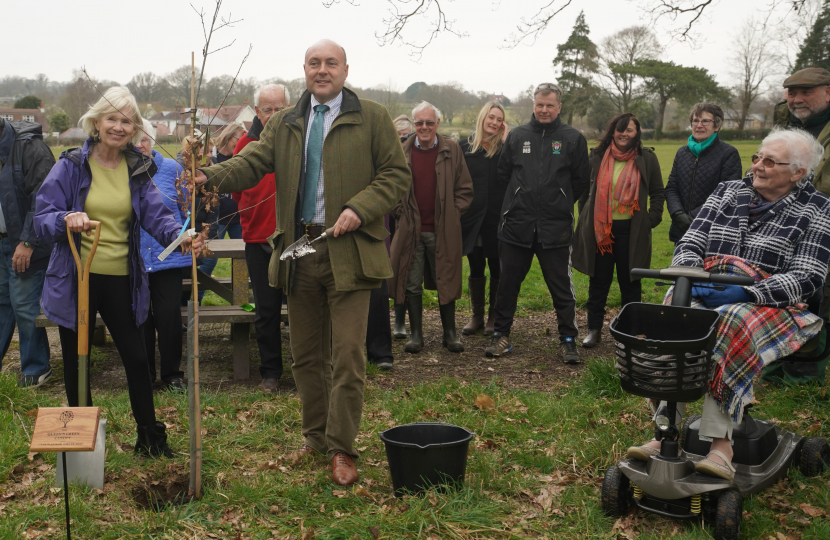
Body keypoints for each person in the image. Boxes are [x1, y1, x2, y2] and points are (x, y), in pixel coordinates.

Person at [194, 39, 410, 486]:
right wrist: (208, 175)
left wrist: (361, 207)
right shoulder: (289, 120)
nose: (323, 70)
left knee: (349, 355)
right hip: (299, 251)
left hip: (350, 251)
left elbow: (396, 175)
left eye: (331, 63)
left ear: (345, 70)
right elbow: (252, 162)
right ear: (305, 70)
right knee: (306, 356)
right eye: (315, 63)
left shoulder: (371, 117)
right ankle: (314, 438)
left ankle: (342, 448)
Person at [626, 128, 830, 481]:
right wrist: (691, 278)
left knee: (728, 321)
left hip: (774, 303)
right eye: (757, 158)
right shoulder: (728, 191)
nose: (757, 167)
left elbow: (808, 276)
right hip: (709, 286)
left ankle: (721, 445)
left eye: (769, 161)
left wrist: (750, 292)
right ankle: (665, 432)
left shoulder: (818, 209)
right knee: (671, 313)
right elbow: (691, 241)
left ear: (798, 172)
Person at [35, 87, 201, 457]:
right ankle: (81, 446)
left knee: (138, 358)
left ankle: (150, 438)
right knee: (78, 362)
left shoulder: (136, 168)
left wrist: (179, 235)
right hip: (76, 276)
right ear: (96, 121)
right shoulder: (71, 166)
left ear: (135, 128)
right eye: (112, 118)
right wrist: (67, 218)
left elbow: (158, 215)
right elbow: (42, 220)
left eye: (127, 120)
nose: (119, 126)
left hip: (122, 279)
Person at [485, 83, 589, 364]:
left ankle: (568, 340)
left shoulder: (573, 139)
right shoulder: (518, 136)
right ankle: (501, 336)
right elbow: (504, 174)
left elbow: (580, 181)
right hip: (516, 226)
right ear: (534, 105)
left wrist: (559, 201)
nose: (544, 110)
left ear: (559, 107)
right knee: (507, 285)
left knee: (562, 288)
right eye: (540, 104)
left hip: (555, 228)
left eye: (550, 105)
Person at [573, 114, 665, 348]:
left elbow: (657, 193)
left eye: (630, 130)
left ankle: (630, 332)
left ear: (637, 133)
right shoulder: (596, 157)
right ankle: (594, 330)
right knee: (599, 282)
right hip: (602, 232)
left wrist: (649, 220)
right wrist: (589, 219)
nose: (624, 134)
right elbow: (584, 193)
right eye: (620, 130)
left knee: (630, 283)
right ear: (612, 131)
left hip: (632, 231)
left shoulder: (647, 159)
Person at [388, 101, 473, 354]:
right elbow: (390, 189)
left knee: (445, 279)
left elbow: (465, 189)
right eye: (419, 123)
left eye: (429, 122)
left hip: (443, 230)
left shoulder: (452, 149)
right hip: (410, 229)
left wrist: (452, 213)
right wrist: (400, 213)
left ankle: (450, 334)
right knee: (410, 282)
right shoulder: (401, 150)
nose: (424, 127)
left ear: (437, 123)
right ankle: (416, 335)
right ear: (414, 125)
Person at [232, 84, 290, 393]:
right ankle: (270, 372)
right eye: (267, 109)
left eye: (279, 109)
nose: (273, 115)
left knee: (304, 306)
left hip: (296, 240)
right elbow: (236, 189)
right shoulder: (245, 144)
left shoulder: (297, 143)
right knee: (265, 310)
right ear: (258, 112)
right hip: (259, 240)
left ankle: (309, 367)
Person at [0, 117, 55, 388]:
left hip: (25, 244)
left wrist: (27, 242)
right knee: (1, 306)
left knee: (24, 305)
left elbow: (45, 198)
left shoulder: (30, 148)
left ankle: (36, 368)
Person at [135, 120, 189, 391]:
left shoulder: (172, 169)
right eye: (134, 139)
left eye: (144, 138)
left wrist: (185, 235)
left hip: (168, 258)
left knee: (169, 316)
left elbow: (186, 208)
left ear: (152, 140)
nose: (139, 144)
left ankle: (172, 375)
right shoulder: (121, 170)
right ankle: (144, 373)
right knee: (140, 316)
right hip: (134, 259)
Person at [459, 101, 509, 336]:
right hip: (472, 218)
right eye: (491, 117)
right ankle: (477, 316)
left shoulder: (505, 150)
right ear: (482, 118)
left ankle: (494, 317)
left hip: (497, 218)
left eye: (499, 119)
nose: (494, 122)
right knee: (476, 265)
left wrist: (508, 142)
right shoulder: (465, 148)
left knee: (497, 266)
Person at [664, 103, 742, 244]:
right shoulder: (682, 153)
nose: (699, 125)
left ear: (717, 126)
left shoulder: (729, 154)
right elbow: (671, 188)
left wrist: (693, 218)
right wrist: (678, 214)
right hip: (681, 229)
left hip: (711, 231)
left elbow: (728, 194)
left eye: (705, 121)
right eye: (695, 121)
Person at [197, 122, 246, 297]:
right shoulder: (212, 157)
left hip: (237, 220)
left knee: (242, 259)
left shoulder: (241, 158)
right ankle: (196, 301)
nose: (240, 143)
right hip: (215, 220)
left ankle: (241, 301)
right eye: (238, 139)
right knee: (209, 261)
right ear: (229, 136)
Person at [773, 67, 830, 194]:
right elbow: (758, 168)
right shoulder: (783, 124)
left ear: (828, 93)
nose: (797, 100)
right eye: (792, 94)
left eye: (806, 92)